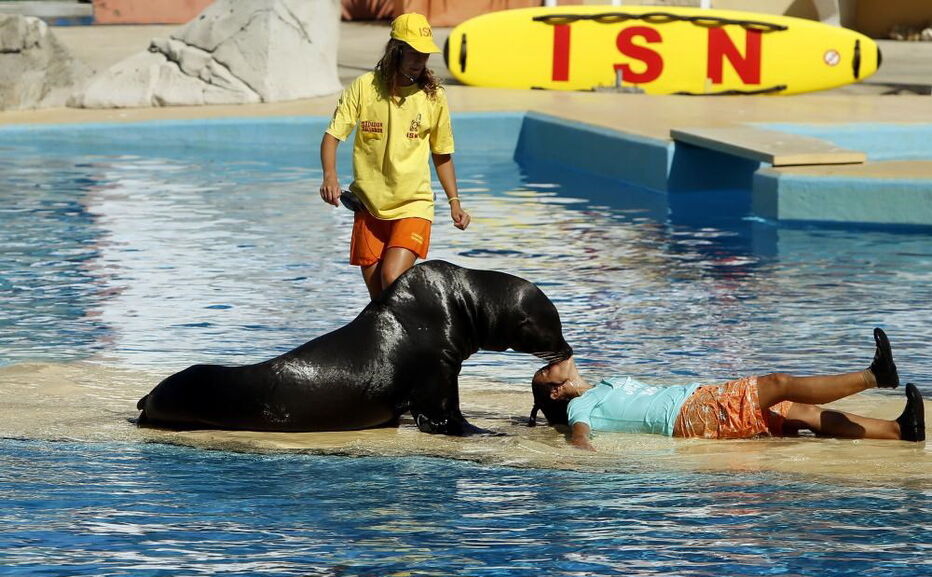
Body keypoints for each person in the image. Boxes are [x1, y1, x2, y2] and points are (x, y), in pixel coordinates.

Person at [530, 328, 926, 450]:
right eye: (547, 370)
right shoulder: (583, 406)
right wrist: (586, 457)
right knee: (777, 384)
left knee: (800, 412)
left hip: (699, 403)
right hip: (692, 414)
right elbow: (579, 438)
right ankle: (875, 376)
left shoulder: (604, 384)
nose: (552, 362)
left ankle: (900, 430)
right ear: (555, 393)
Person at [319, 13, 470, 301]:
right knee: (379, 300)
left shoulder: (433, 96)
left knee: (392, 279)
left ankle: (428, 336)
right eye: (412, 51)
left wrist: (455, 202)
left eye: (424, 53)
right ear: (395, 50)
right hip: (369, 206)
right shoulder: (365, 87)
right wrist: (330, 176)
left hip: (413, 204)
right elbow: (332, 136)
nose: (419, 59)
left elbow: (442, 154)